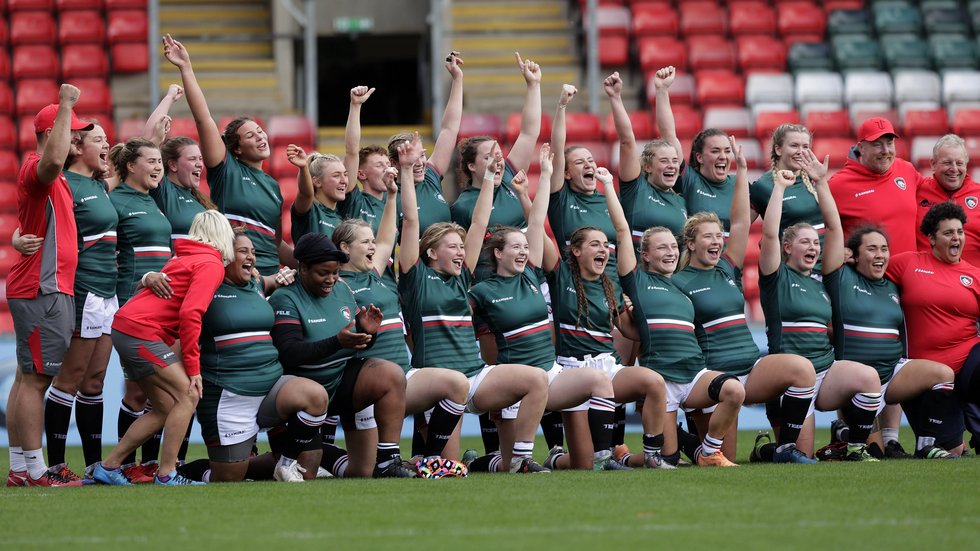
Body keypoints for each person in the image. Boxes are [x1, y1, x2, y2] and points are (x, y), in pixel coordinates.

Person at [397, 134, 549, 473]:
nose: (461, 252)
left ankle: (521, 460)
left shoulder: (463, 276)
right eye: (453, 247)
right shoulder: (415, 278)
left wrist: (492, 181)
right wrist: (406, 171)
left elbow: (480, 224)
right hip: (435, 380)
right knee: (449, 468)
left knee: (537, 380)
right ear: (432, 252)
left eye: (462, 247)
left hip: (474, 378)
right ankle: (424, 458)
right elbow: (409, 221)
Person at [469, 145, 620, 471]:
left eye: (526, 248)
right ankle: (493, 461)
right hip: (513, 383)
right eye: (517, 248)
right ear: (497, 254)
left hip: (549, 376)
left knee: (597, 384)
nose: (524, 253)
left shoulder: (533, 274)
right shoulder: (481, 290)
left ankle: (603, 457)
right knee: (505, 463)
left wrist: (547, 172)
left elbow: (536, 221)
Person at [672, 137, 818, 464]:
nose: (716, 241)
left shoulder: (727, 267)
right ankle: (685, 439)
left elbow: (739, 222)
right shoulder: (677, 283)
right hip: (716, 380)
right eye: (707, 236)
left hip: (750, 371)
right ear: (690, 244)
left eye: (717, 236)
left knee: (802, 369)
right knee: (724, 460)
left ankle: (779, 448)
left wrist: (741, 171)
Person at [329, 158, 470, 474]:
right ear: (343, 247)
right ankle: (326, 454)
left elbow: (387, 236)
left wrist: (392, 196)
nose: (373, 246)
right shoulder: (333, 283)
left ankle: (428, 459)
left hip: (403, 377)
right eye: (363, 241)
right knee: (360, 473)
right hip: (365, 383)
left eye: (371, 241)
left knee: (456, 383)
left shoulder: (375, 272)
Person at [611, 165, 746, 467]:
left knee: (735, 390)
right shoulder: (638, 282)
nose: (670, 252)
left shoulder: (683, 282)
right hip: (663, 381)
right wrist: (610, 186)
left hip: (695, 374)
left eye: (673, 246)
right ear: (645, 255)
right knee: (664, 461)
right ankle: (623, 457)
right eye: (662, 248)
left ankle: (709, 451)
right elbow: (621, 230)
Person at [541, 163, 670, 471]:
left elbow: (628, 331)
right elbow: (537, 230)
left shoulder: (608, 285)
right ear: (575, 251)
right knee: (582, 465)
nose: (605, 250)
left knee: (653, 381)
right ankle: (561, 458)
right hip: (572, 372)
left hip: (607, 367)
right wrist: (535, 184)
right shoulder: (560, 276)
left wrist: (638, 316)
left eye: (606, 245)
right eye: (595, 245)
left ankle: (651, 454)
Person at [93, 210, 234, 485]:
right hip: (141, 332)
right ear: (223, 235)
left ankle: (108, 466)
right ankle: (167, 473)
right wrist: (193, 369)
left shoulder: (182, 257)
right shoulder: (210, 264)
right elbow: (191, 314)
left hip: (127, 328)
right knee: (188, 395)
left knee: (165, 406)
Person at [760, 159, 883, 461]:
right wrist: (779, 188)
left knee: (869, 379)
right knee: (801, 456)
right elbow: (769, 234)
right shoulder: (776, 276)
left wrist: (821, 182)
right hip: (791, 375)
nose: (813, 247)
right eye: (805, 242)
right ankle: (764, 449)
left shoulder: (822, 278)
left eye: (815, 243)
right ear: (788, 248)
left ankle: (853, 446)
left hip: (825, 372)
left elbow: (834, 226)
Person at [269, 232, 414, 478]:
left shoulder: (342, 289)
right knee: (307, 471)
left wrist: (368, 333)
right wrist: (336, 342)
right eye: (323, 273)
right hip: (303, 395)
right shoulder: (286, 297)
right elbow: (290, 353)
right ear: (302, 268)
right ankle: (238, 468)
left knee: (391, 374)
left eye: (335, 272)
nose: (331, 279)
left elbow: (355, 341)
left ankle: (388, 460)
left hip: (339, 382)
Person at [6, 89, 92, 487]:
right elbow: (55, 157)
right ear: (48, 131)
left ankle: (20, 468)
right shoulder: (40, 166)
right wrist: (66, 104)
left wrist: (17, 236)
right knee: (37, 380)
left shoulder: (48, 176)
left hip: (43, 287)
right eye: (71, 131)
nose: (76, 137)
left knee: (27, 378)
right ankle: (37, 471)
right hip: (43, 289)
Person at [196, 232, 330, 482]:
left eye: (253, 252)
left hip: (270, 388)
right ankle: (190, 470)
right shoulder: (206, 287)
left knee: (315, 397)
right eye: (243, 251)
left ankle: (285, 464)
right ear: (224, 254)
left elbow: (273, 280)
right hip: (230, 396)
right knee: (228, 480)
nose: (251, 257)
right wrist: (149, 278)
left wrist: (284, 276)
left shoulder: (256, 285)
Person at [164, 34, 293, 278]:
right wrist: (186, 68)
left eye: (260, 131)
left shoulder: (274, 186)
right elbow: (203, 118)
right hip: (233, 273)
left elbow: (275, 243)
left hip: (270, 276)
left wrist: (312, 265)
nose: (260, 136)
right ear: (236, 149)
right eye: (250, 136)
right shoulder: (225, 169)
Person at [823, 225, 957, 459]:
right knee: (876, 451)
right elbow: (831, 232)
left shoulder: (893, 285)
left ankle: (926, 446)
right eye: (872, 249)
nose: (880, 255)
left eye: (884, 249)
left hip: (892, 374)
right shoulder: (841, 277)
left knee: (943, 375)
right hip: (857, 381)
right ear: (854, 254)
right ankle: (847, 439)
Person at [886, 202, 980, 454]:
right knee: (951, 451)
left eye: (959, 231)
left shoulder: (975, 276)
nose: (956, 237)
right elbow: (868, 270)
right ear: (931, 237)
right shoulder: (905, 264)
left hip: (968, 363)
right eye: (948, 232)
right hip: (925, 377)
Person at [450, 52, 541, 231]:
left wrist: (533, 85)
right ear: (471, 166)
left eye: (499, 156)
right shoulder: (462, 207)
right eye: (489, 157)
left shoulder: (509, 176)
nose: (497, 162)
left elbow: (528, 133)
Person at [604, 71, 686, 247]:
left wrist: (662, 90)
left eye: (674, 161)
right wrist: (616, 97)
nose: (672, 165)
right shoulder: (635, 189)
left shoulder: (682, 196)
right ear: (647, 167)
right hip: (639, 273)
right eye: (664, 161)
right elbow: (626, 141)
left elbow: (670, 136)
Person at [386, 51, 464, 235]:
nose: (421, 163)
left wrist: (457, 79)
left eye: (422, 155)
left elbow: (449, 129)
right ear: (394, 164)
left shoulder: (430, 176)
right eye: (412, 159)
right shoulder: (388, 194)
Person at [653, 66, 735, 235]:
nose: (723, 156)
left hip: (728, 261)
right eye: (715, 151)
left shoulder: (739, 185)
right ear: (699, 157)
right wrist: (662, 90)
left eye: (727, 151)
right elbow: (668, 136)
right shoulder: (689, 180)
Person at [829, 117, 923, 255]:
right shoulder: (838, 185)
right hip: (866, 276)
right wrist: (838, 252)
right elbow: (818, 229)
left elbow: (935, 191)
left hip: (907, 273)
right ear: (861, 148)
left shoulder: (906, 169)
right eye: (877, 144)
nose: (885, 151)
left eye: (890, 143)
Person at [750, 124, 825, 250]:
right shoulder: (763, 186)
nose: (800, 151)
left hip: (826, 264)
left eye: (805, 146)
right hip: (793, 266)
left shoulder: (816, 177)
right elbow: (739, 227)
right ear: (778, 149)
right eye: (794, 145)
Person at [916, 134, 980, 265]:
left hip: (972, 281)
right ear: (933, 164)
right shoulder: (918, 189)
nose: (954, 169)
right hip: (926, 278)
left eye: (960, 163)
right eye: (947, 162)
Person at [288, 146, 347, 242]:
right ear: (317, 182)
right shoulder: (309, 210)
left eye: (345, 174)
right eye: (336, 175)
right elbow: (305, 193)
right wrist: (303, 167)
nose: (344, 181)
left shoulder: (342, 218)